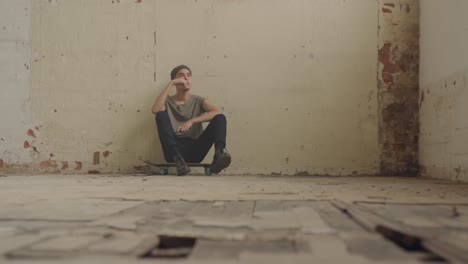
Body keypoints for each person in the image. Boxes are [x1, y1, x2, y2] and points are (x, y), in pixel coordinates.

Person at [151, 65, 231, 176]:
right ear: (175, 80)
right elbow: (155, 109)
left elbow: (217, 112)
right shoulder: (167, 101)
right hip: (173, 152)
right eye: (181, 75)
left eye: (188, 75)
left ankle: (219, 154)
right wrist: (171, 83)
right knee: (160, 115)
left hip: (195, 150)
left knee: (220, 118)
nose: (186, 78)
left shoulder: (198, 100)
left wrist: (192, 121)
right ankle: (178, 159)